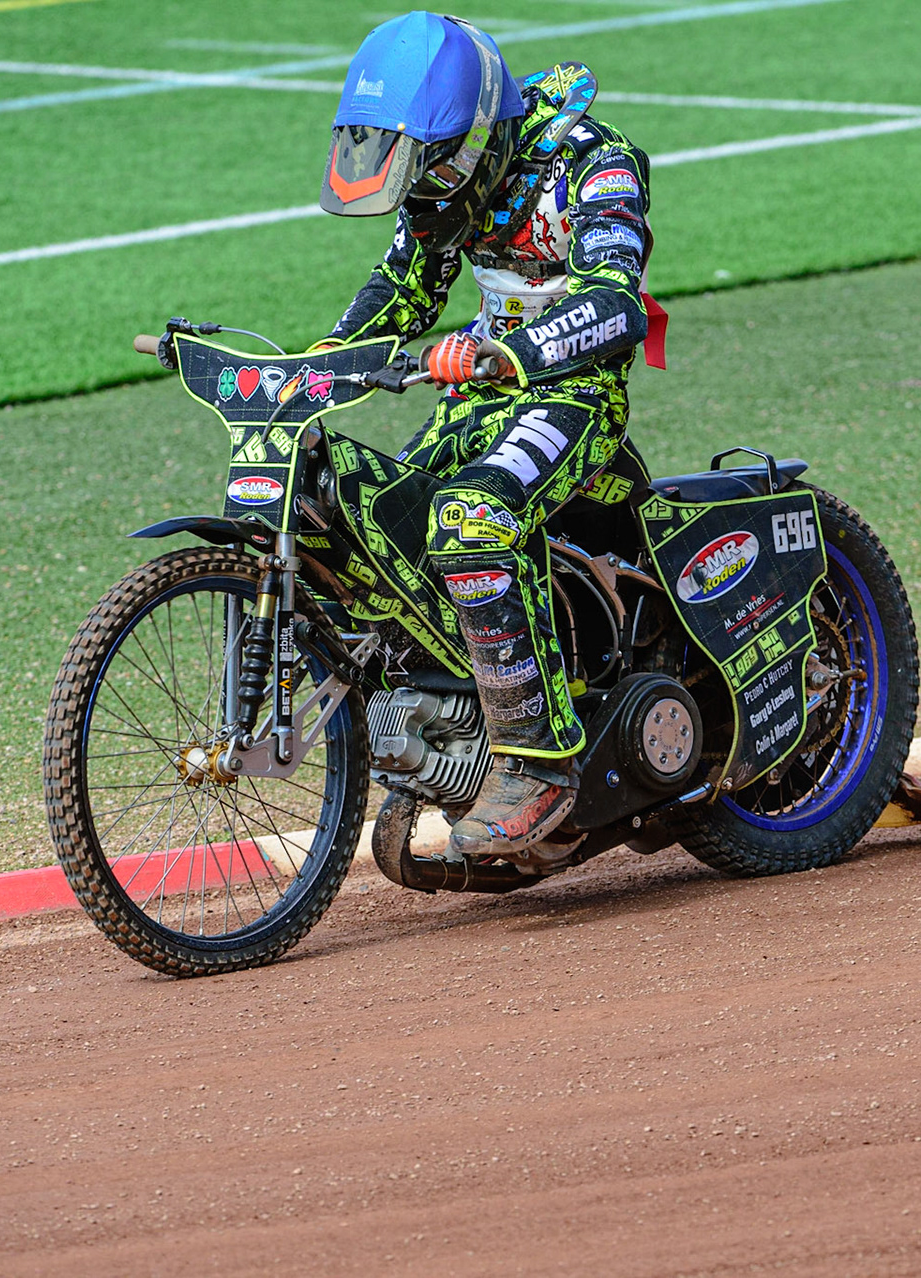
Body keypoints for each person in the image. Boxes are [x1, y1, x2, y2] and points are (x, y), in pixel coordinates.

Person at [314, 11, 654, 865]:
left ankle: (537, 764)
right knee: (372, 518)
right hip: (480, 394)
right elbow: (403, 286)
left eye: (435, 161)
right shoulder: (439, 185)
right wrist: (315, 365)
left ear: (473, 133)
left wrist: (511, 352)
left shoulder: (592, 160)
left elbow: (617, 301)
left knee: (468, 518)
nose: (424, 185)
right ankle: (440, 734)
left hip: (572, 394)